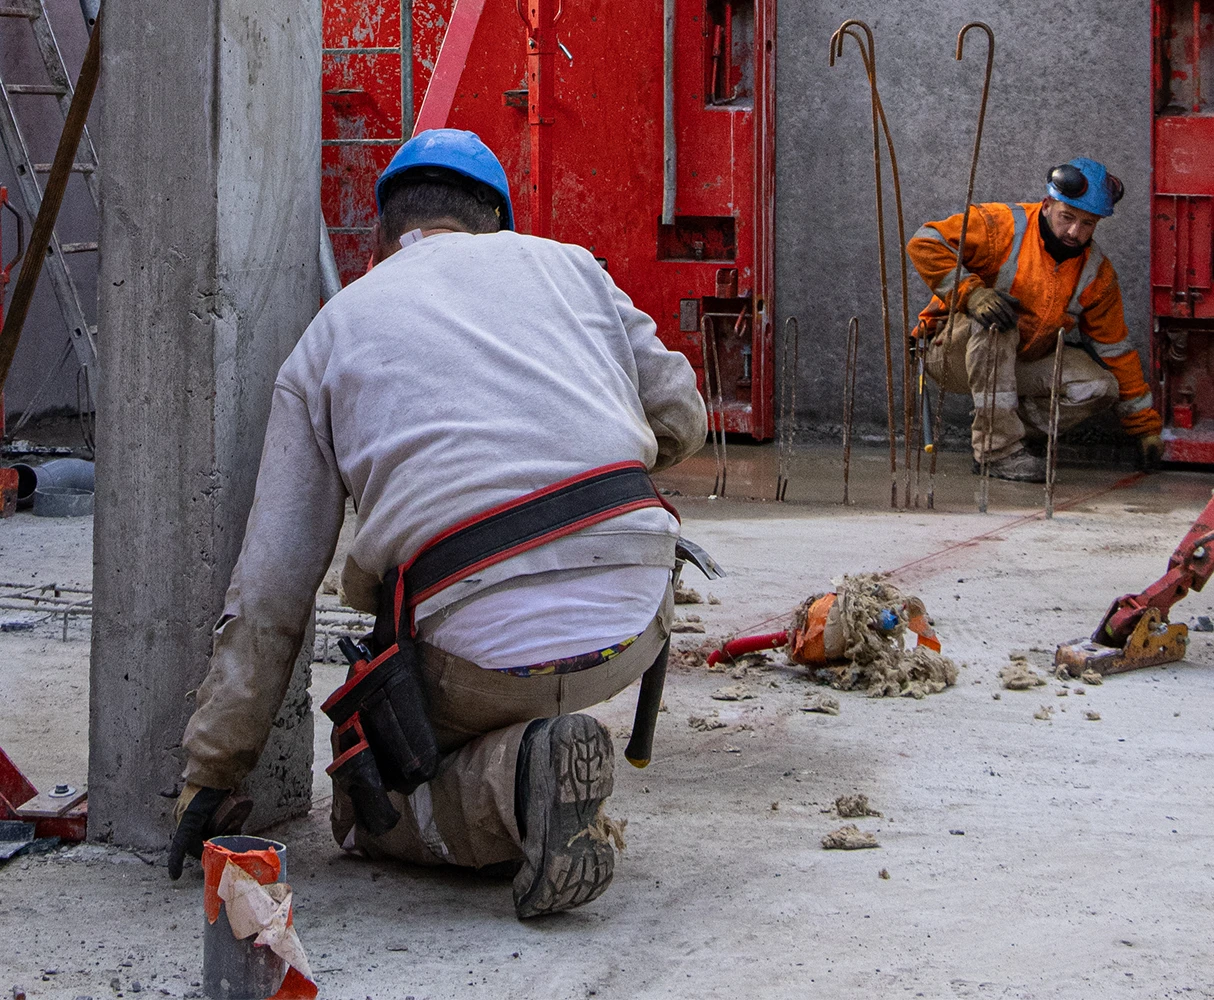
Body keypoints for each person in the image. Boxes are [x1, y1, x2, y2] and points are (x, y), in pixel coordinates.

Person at [166, 129, 707, 919]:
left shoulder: (329, 336)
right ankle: (538, 757)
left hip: (470, 652)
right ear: (498, 222)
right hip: (634, 617)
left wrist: (213, 766)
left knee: (366, 800)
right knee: (504, 662)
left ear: (382, 237)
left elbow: (273, 591)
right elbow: (681, 416)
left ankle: (517, 787)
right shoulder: (571, 267)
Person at [908, 157, 1162, 482]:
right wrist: (972, 294)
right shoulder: (1004, 226)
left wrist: (1145, 429)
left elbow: (1115, 350)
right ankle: (995, 453)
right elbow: (925, 242)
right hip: (950, 352)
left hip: (1017, 359)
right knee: (998, 320)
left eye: (1087, 224)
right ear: (1047, 205)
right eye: (1067, 217)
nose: (1074, 231)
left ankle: (1009, 434)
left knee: (1099, 386)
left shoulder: (1096, 273)